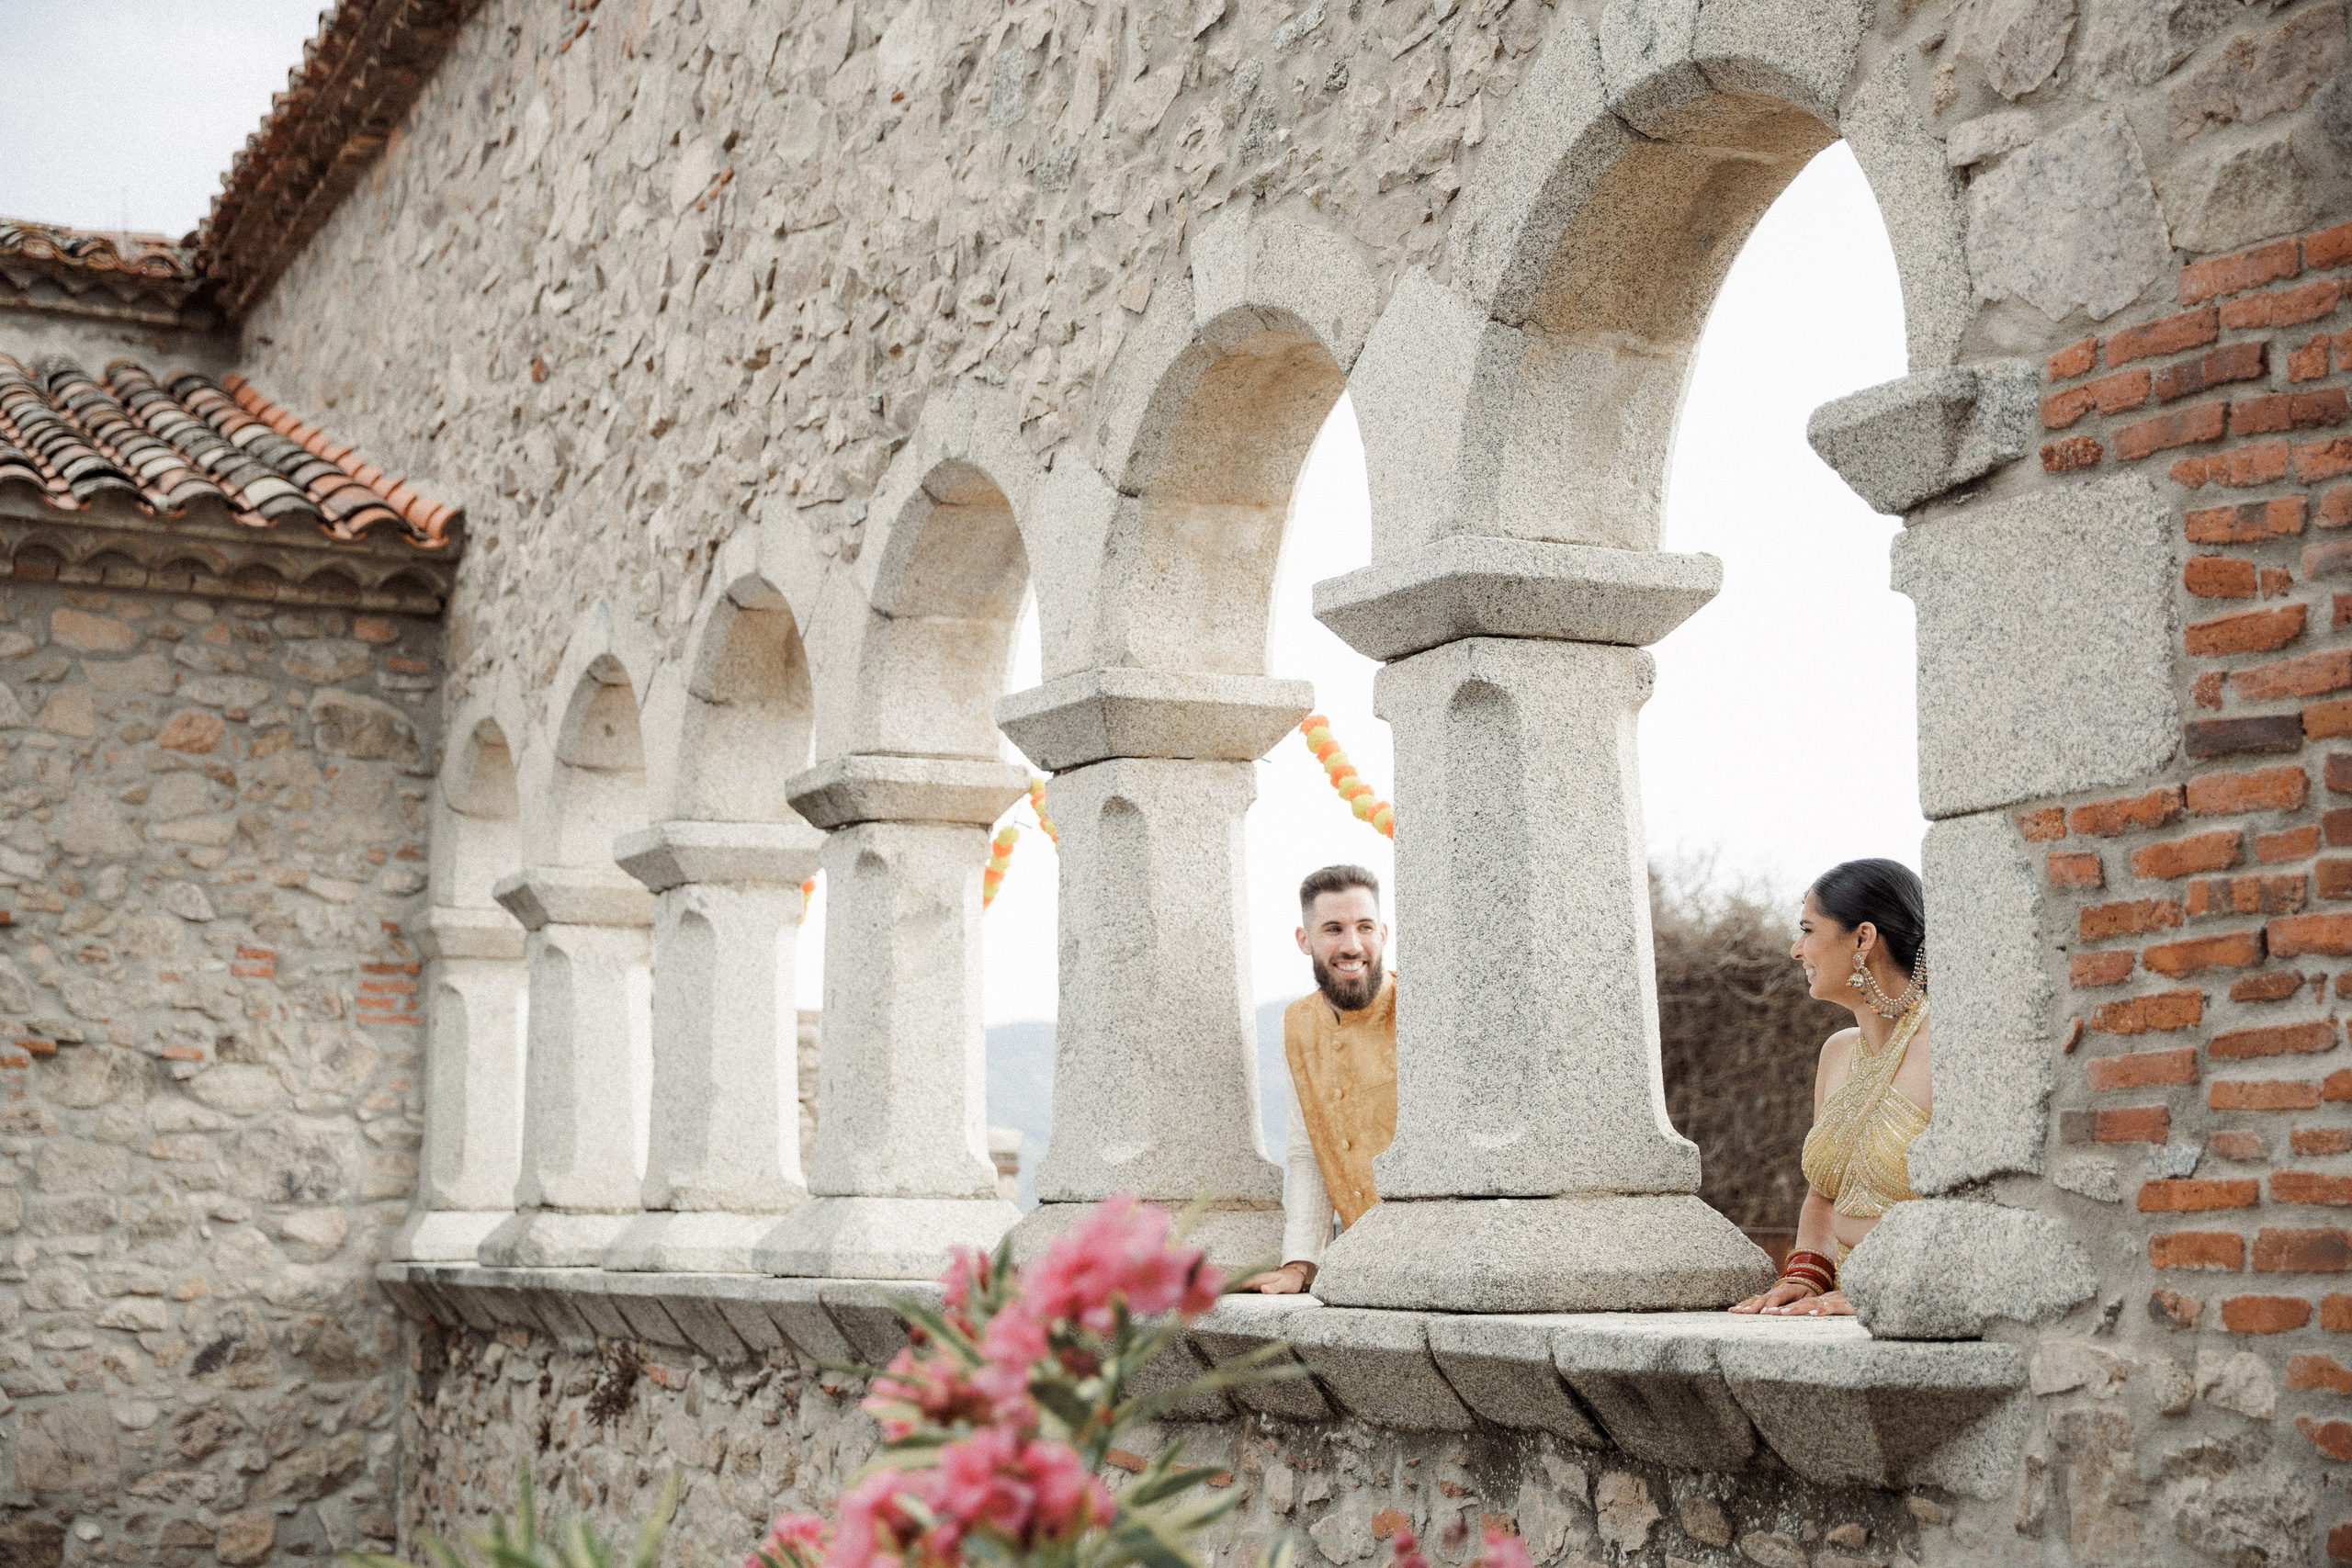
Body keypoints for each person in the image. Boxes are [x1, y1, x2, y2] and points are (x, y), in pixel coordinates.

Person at [1730, 858, 1932, 1318]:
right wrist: (1805, 1278)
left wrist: (1879, 1288)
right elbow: (1823, 1195)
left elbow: (1973, 1204)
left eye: (1807, 929)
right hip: (1837, 1301)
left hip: (1913, 1302)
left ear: (1863, 937)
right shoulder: (1838, 1053)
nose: (1795, 950)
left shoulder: (1949, 1052)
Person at [1240, 864, 1396, 1294]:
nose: (1352, 945)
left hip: (1432, 1252)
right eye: (1333, 929)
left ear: (1383, 933)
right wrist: (1300, 1263)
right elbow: (1308, 1149)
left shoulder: (1416, 1007)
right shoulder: (1297, 1022)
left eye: (1365, 927)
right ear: (1304, 940)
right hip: (1362, 1266)